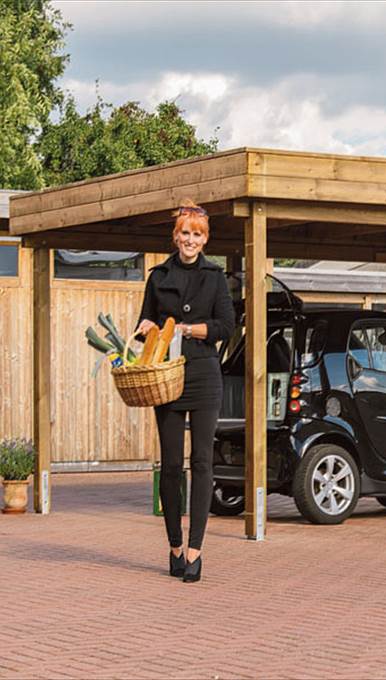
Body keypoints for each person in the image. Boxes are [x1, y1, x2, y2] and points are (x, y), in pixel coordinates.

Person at [136, 199, 235, 583]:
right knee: (173, 465)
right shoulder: (158, 276)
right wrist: (146, 327)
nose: (190, 240)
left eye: (197, 234)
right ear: (175, 236)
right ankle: (174, 546)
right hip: (167, 376)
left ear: (204, 239)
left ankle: (196, 550)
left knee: (203, 462)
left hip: (204, 373)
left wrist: (191, 329)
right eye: (185, 233)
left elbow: (227, 325)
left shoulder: (215, 277)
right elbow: (143, 322)